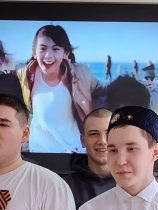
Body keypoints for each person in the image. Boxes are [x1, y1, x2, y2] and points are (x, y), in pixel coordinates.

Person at [17, 25, 104, 153]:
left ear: (66, 53)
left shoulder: (80, 75)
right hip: (39, 153)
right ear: (34, 52)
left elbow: (103, 91)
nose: (48, 55)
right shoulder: (27, 74)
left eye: (55, 49)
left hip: (72, 151)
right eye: (43, 48)